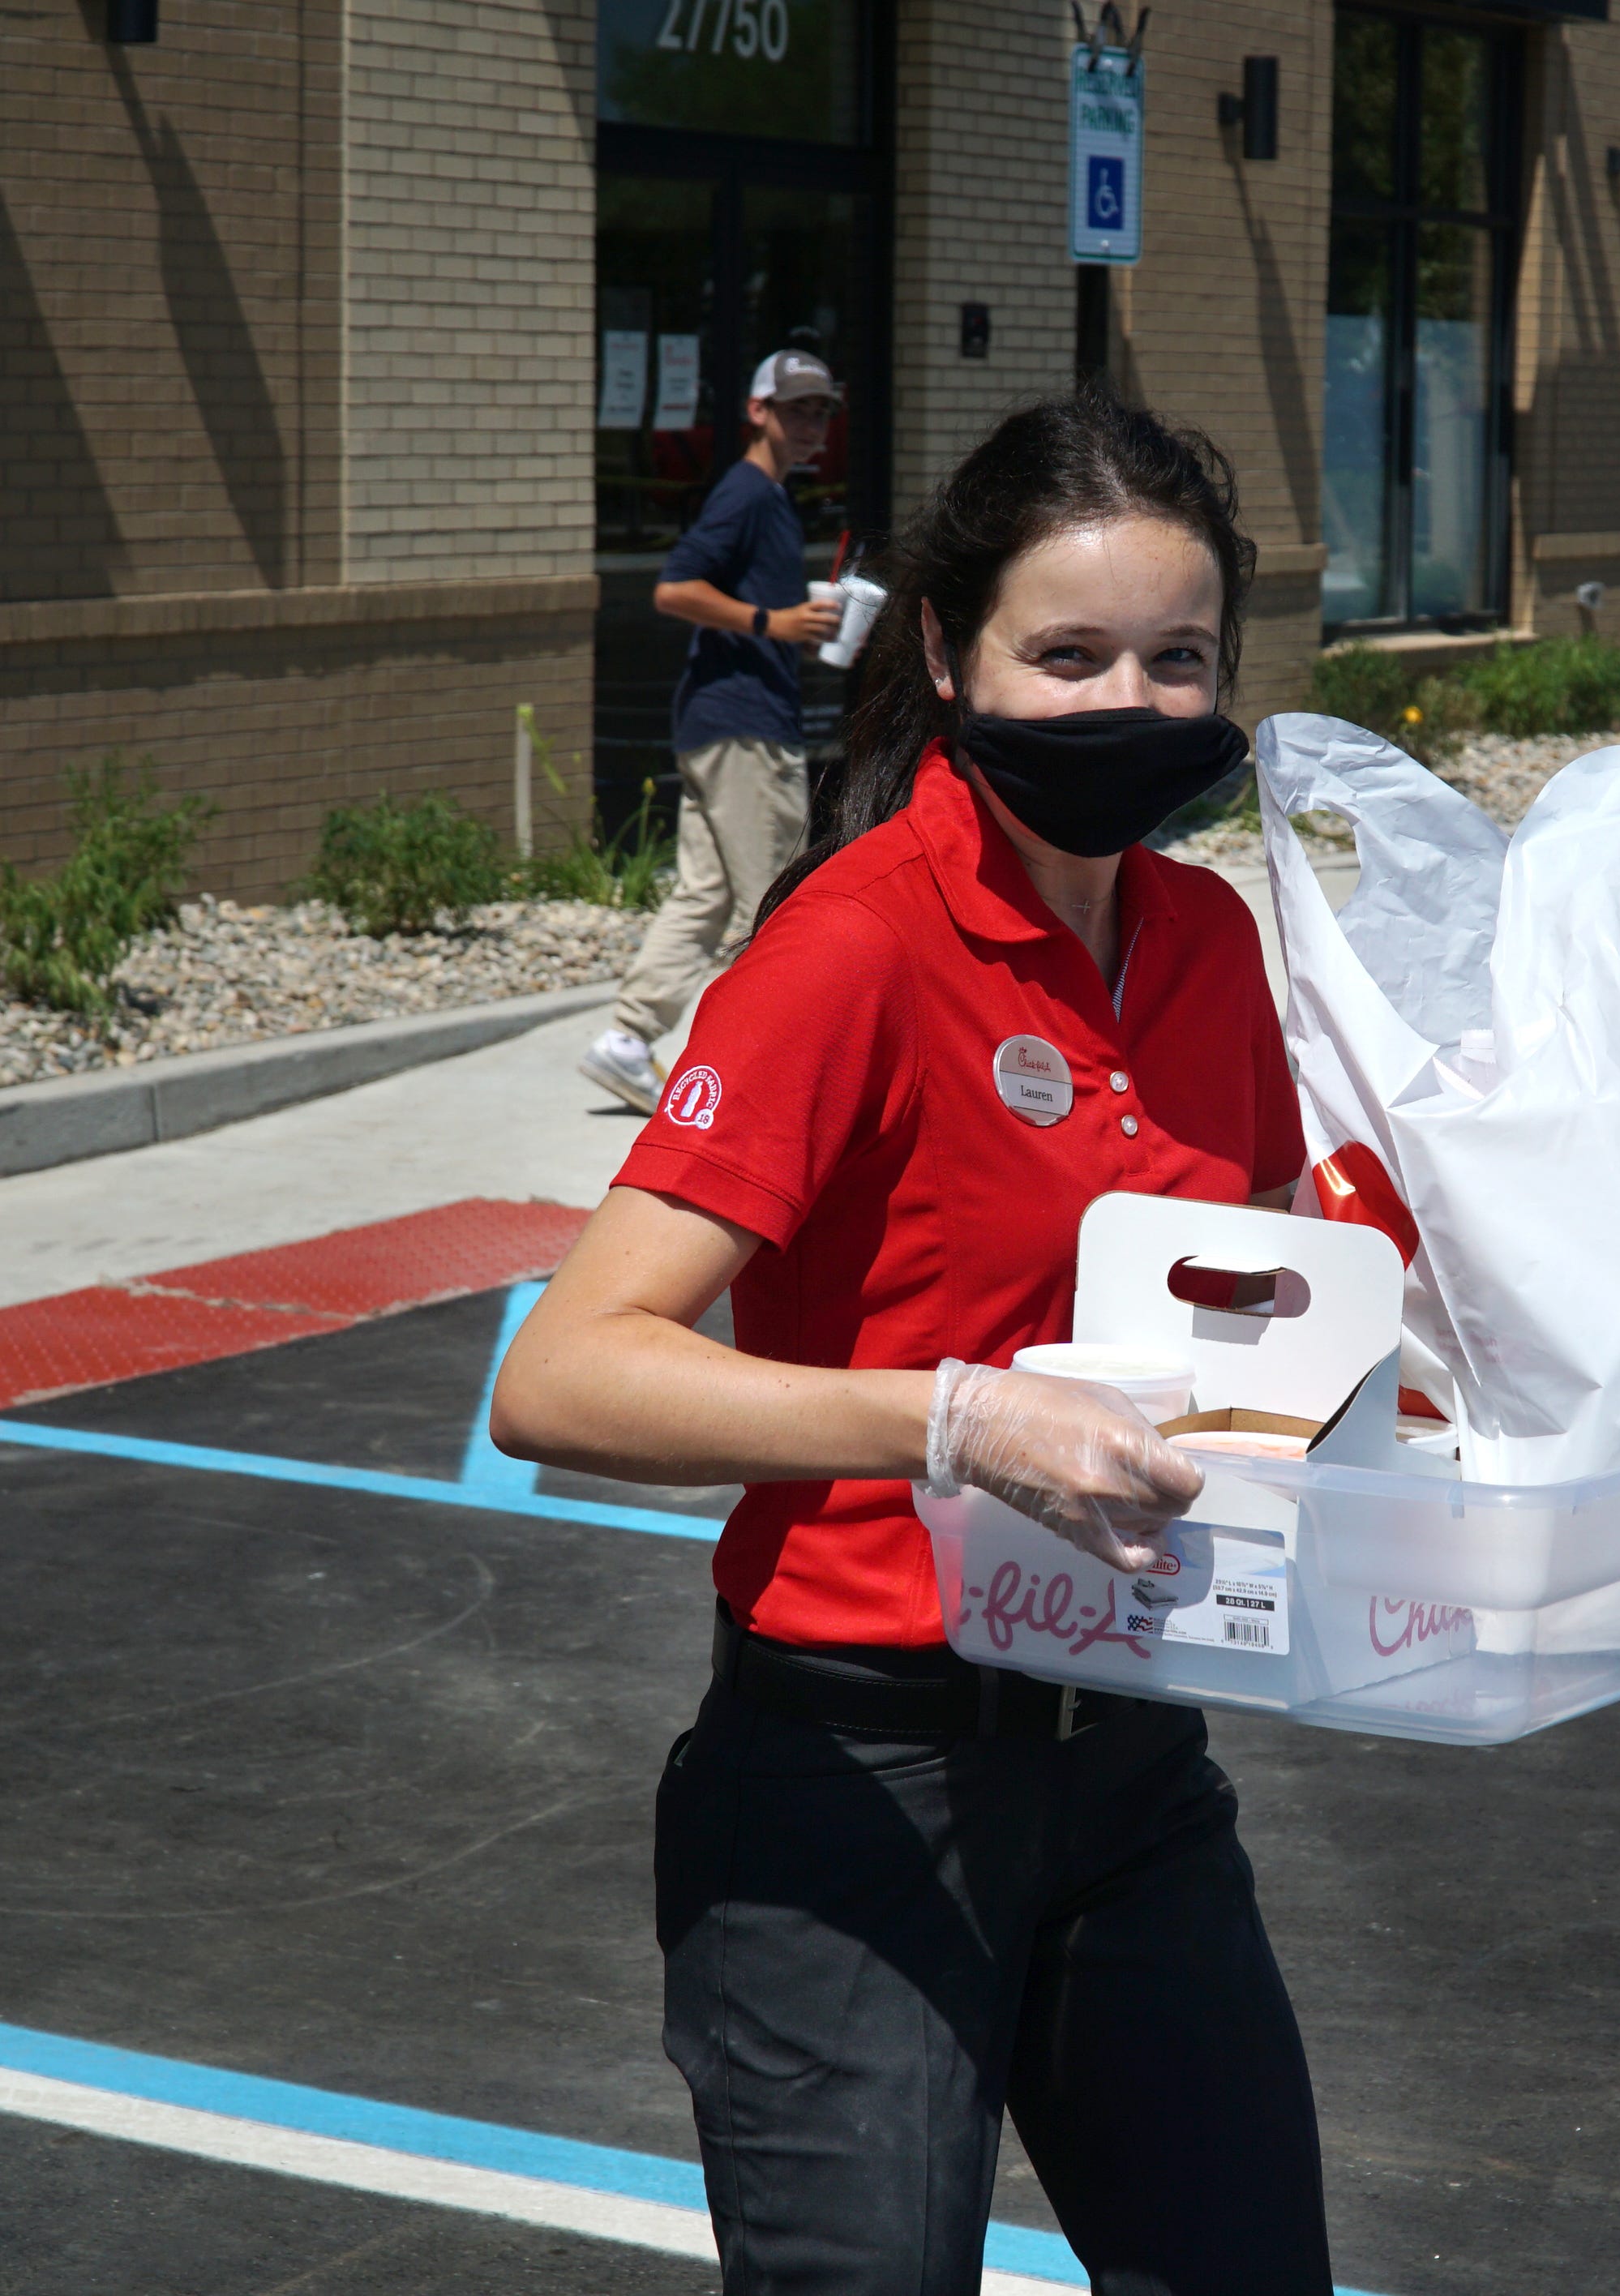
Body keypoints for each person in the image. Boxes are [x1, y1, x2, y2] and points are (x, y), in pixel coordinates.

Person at [493, 392, 1335, 2295]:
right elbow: (561, 1371)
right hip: (854, 1781)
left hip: (1131, 1759)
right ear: (947, 654)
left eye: (1176, 657)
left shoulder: (1207, 943)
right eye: (1067, 654)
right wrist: (957, 1415)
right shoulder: (851, 947)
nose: (1130, 698)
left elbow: (1274, 1293)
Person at [579, 349, 848, 1115]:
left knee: (705, 894)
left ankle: (626, 1043)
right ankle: (749, 1075)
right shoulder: (748, 494)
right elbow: (673, 589)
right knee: (772, 903)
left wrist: (788, 630)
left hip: (716, 721)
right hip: (745, 729)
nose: (810, 423)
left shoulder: (765, 497)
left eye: (820, 410)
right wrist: (775, 621)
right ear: (756, 412)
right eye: (795, 408)